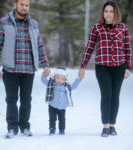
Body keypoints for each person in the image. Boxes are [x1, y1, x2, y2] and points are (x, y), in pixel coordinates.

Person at [0, 0, 50, 139]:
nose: (24, 7)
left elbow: (39, 46)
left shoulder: (34, 24)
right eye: (22, 4)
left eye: (27, 5)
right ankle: (12, 128)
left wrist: (45, 64)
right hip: (10, 69)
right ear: (15, 5)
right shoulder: (4, 22)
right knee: (11, 99)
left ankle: (24, 126)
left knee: (26, 100)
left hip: (28, 69)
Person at [78, 1, 132, 137]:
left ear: (116, 13)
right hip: (102, 67)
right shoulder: (97, 28)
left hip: (119, 67)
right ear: (103, 13)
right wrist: (82, 66)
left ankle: (112, 125)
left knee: (115, 96)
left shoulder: (123, 28)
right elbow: (89, 47)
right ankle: (105, 126)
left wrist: (128, 67)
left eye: (111, 11)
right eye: (106, 11)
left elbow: (127, 49)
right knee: (106, 95)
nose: (108, 14)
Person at [41, 67, 80, 135]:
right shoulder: (51, 83)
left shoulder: (66, 86)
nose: (59, 80)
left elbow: (73, 86)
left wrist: (78, 80)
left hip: (62, 106)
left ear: (65, 79)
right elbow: (43, 80)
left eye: (62, 79)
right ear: (54, 77)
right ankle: (52, 129)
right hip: (52, 105)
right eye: (58, 78)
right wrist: (44, 74)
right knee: (52, 119)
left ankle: (62, 130)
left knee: (62, 119)